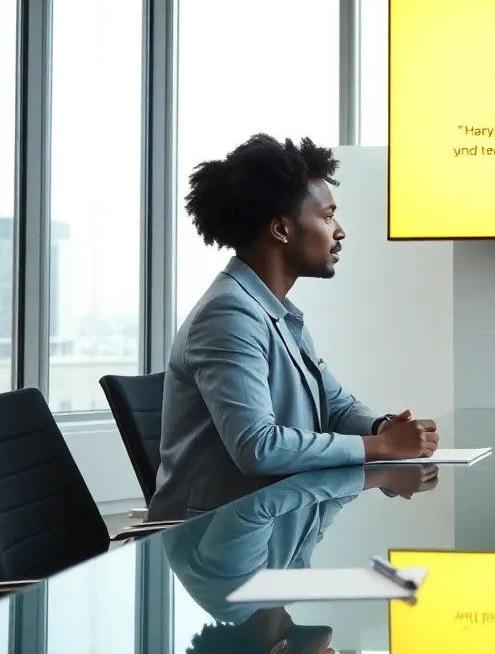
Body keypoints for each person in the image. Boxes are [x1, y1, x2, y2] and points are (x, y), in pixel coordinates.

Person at [151, 134, 439, 521]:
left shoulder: (278, 312)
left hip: (275, 523)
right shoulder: (228, 315)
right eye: (327, 216)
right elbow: (258, 447)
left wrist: (381, 426)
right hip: (213, 538)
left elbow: (335, 405)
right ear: (282, 230)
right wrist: (382, 447)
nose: (340, 231)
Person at [165, 464, 438, 654]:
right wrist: (388, 477)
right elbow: (325, 505)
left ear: (279, 651)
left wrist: (385, 475)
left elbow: (259, 504)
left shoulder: (229, 585)